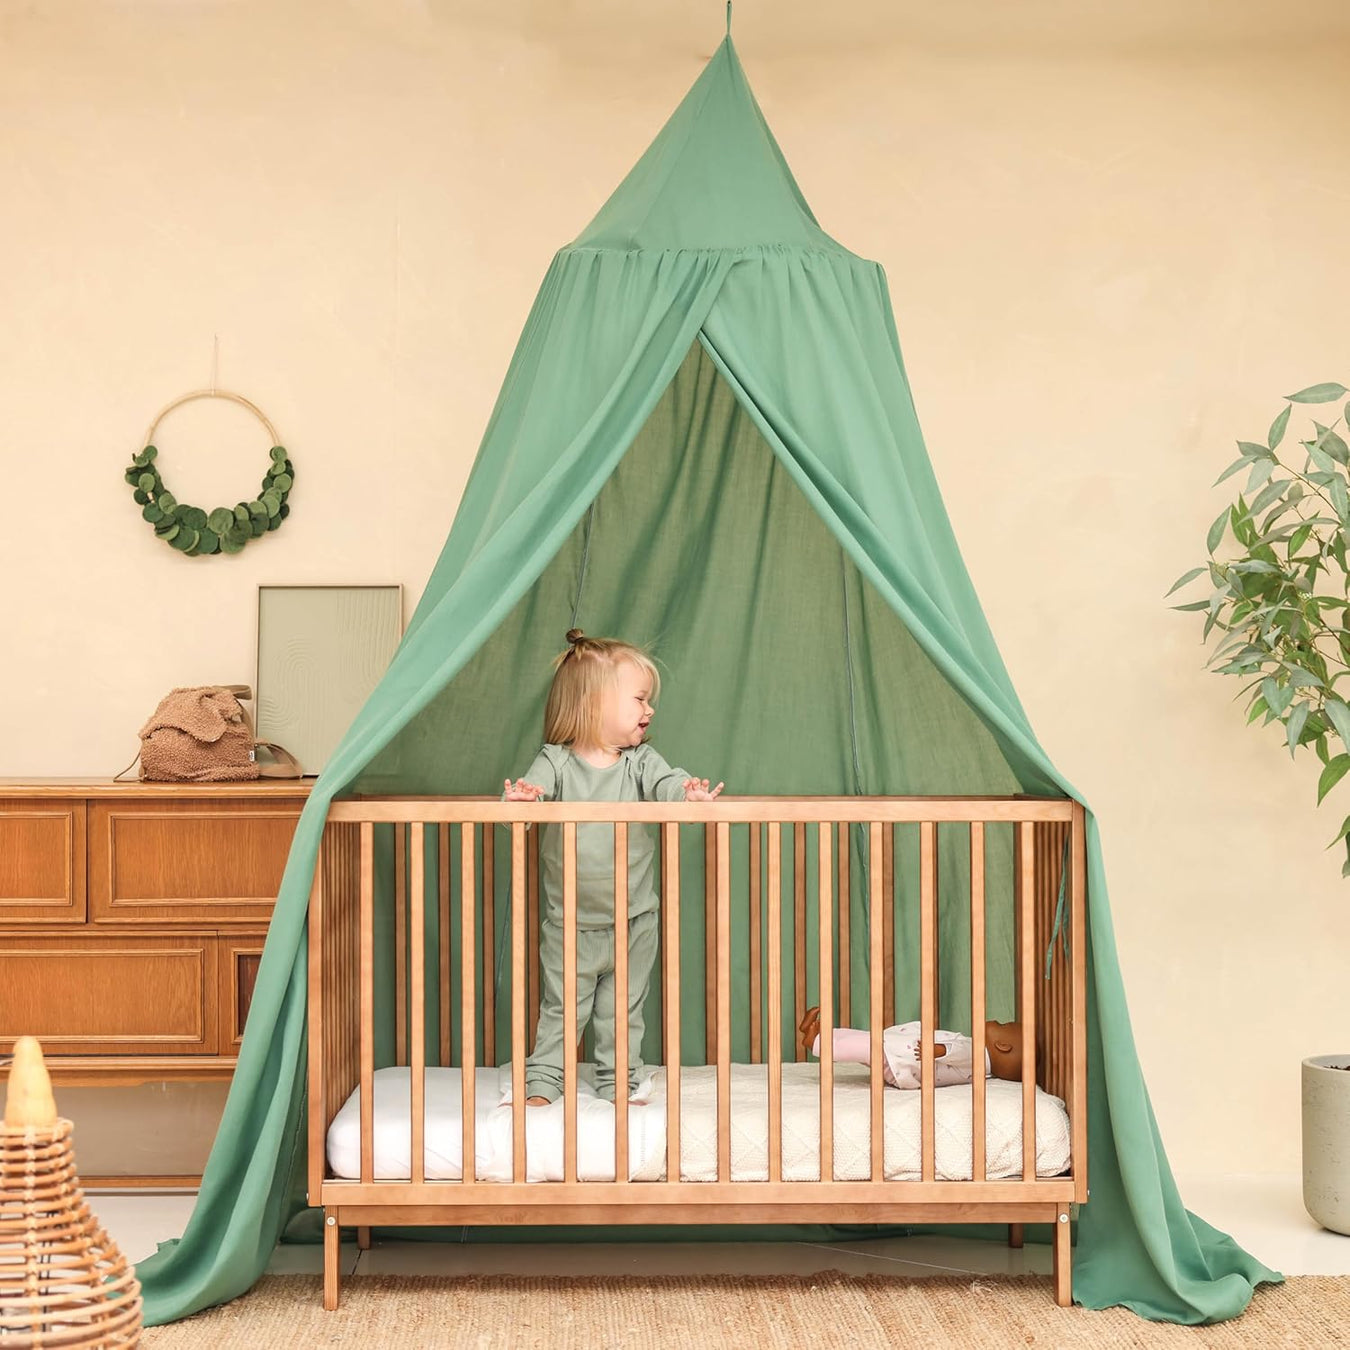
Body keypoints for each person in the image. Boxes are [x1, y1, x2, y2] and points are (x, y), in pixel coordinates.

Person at [504, 629, 723, 1105]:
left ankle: (618, 1082)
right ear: (595, 702)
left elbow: (667, 783)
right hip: (571, 926)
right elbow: (530, 794)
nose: (650, 710)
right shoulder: (556, 763)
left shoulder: (640, 763)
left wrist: (688, 795)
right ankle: (543, 1081)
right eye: (640, 699)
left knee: (623, 1011)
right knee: (562, 1010)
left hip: (634, 921)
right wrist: (521, 801)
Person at [798, 1005, 1024, 1087]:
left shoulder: (977, 1055)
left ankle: (815, 1041)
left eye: (1003, 1025)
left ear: (1003, 1046)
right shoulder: (980, 1068)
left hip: (903, 1059)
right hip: (902, 1062)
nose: (997, 1022)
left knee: (862, 1045)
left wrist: (938, 1050)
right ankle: (820, 1034)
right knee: (863, 1042)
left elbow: (958, 1052)